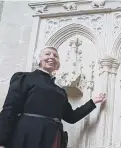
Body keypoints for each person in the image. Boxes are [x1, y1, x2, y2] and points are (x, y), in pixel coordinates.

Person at [0, 46, 106, 148]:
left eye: (55, 56)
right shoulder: (24, 78)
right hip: (28, 134)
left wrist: (92, 102)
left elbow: (71, 117)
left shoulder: (60, 91)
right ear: (39, 59)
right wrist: (2, 142)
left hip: (53, 137)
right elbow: (10, 110)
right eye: (47, 54)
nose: (52, 57)